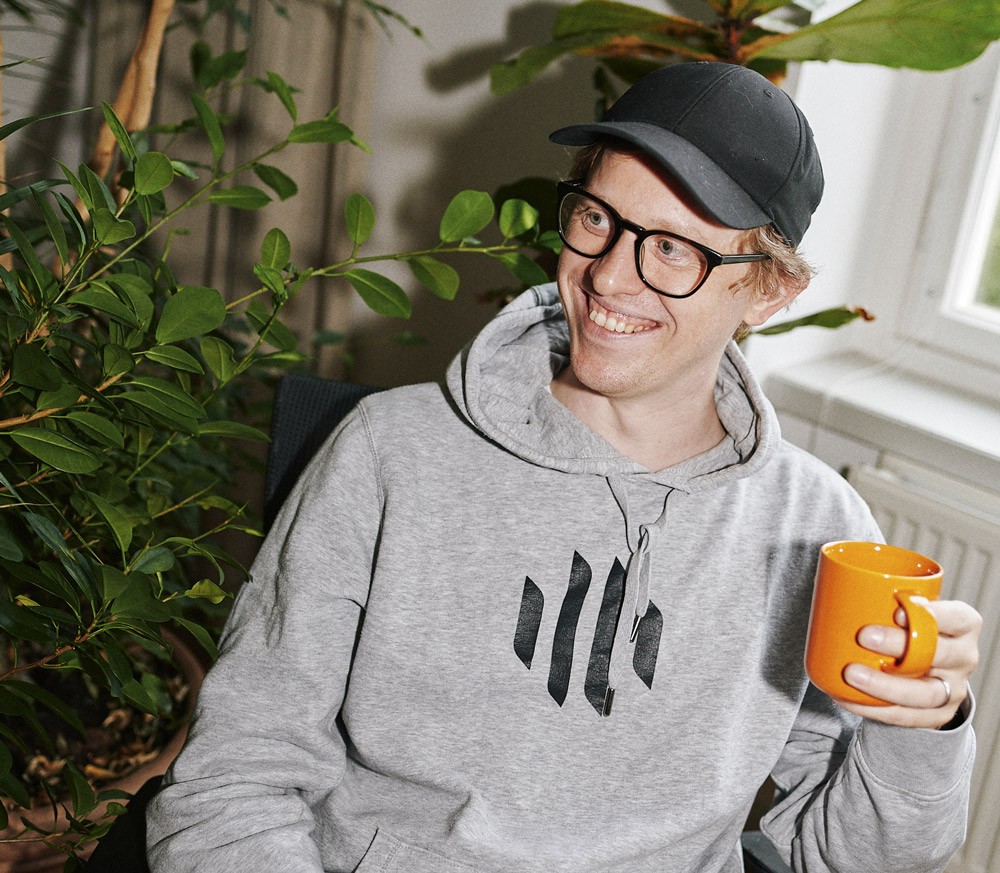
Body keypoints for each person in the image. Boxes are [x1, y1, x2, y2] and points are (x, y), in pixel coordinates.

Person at [146, 62, 981, 873]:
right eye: (596, 218)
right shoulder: (388, 451)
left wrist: (922, 724)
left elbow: (849, 856)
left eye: (673, 250)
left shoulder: (817, 528)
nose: (609, 276)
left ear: (766, 292)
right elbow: (231, 781)